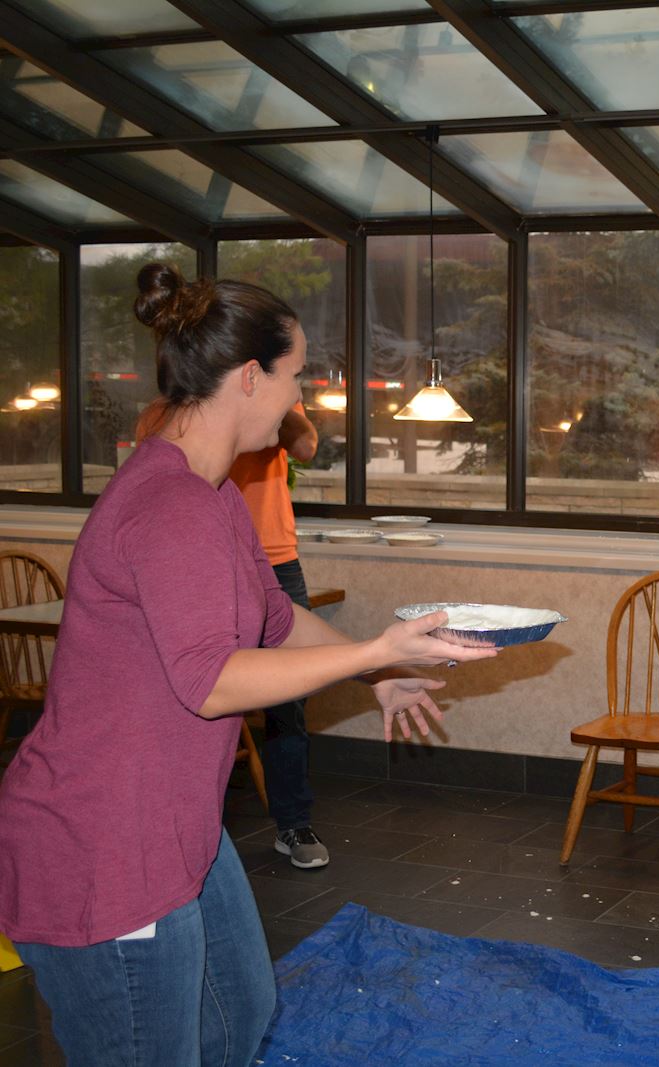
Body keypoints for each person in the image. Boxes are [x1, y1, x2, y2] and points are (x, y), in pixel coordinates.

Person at [0, 263, 496, 1067]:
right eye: (295, 376)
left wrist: (373, 672)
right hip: (104, 843)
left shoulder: (215, 494)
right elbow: (213, 682)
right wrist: (376, 649)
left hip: (175, 823)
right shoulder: (170, 505)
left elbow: (273, 616)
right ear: (248, 376)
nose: (300, 400)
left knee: (241, 1012)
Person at [143, 394, 330, 869]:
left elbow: (306, 446)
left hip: (276, 556)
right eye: (286, 373)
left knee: (287, 701)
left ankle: (292, 822)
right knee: (200, 687)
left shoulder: (279, 404)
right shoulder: (172, 423)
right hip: (209, 550)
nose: (292, 385)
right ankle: (195, 824)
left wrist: (275, 402)